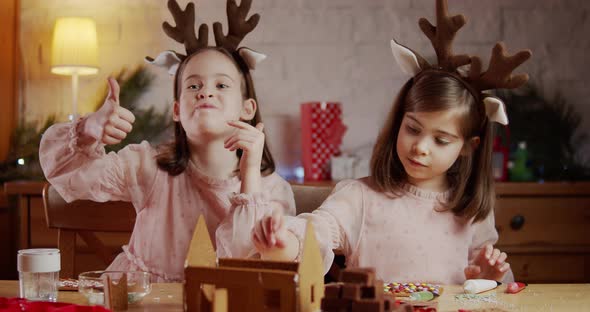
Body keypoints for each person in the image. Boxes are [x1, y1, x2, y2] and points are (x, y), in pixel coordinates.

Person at [251, 0, 531, 284]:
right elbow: (316, 231)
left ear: (469, 146)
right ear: (398, 122)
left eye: (441, 140)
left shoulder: (473, 211)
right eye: (413, 129)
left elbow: (494, 286)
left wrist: (488, 277)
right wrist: (281, 241)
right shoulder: (360, 197)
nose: (421, 146)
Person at [39, 0, 295, 282]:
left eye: (221, 85)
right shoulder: (146, 166)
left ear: (248, 109)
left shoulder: (272, 192)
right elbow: (64, 172)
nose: (205, 93)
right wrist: (88, 129)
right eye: (193, 85)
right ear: (176, 110)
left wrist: (249, 174)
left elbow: (246, 271)